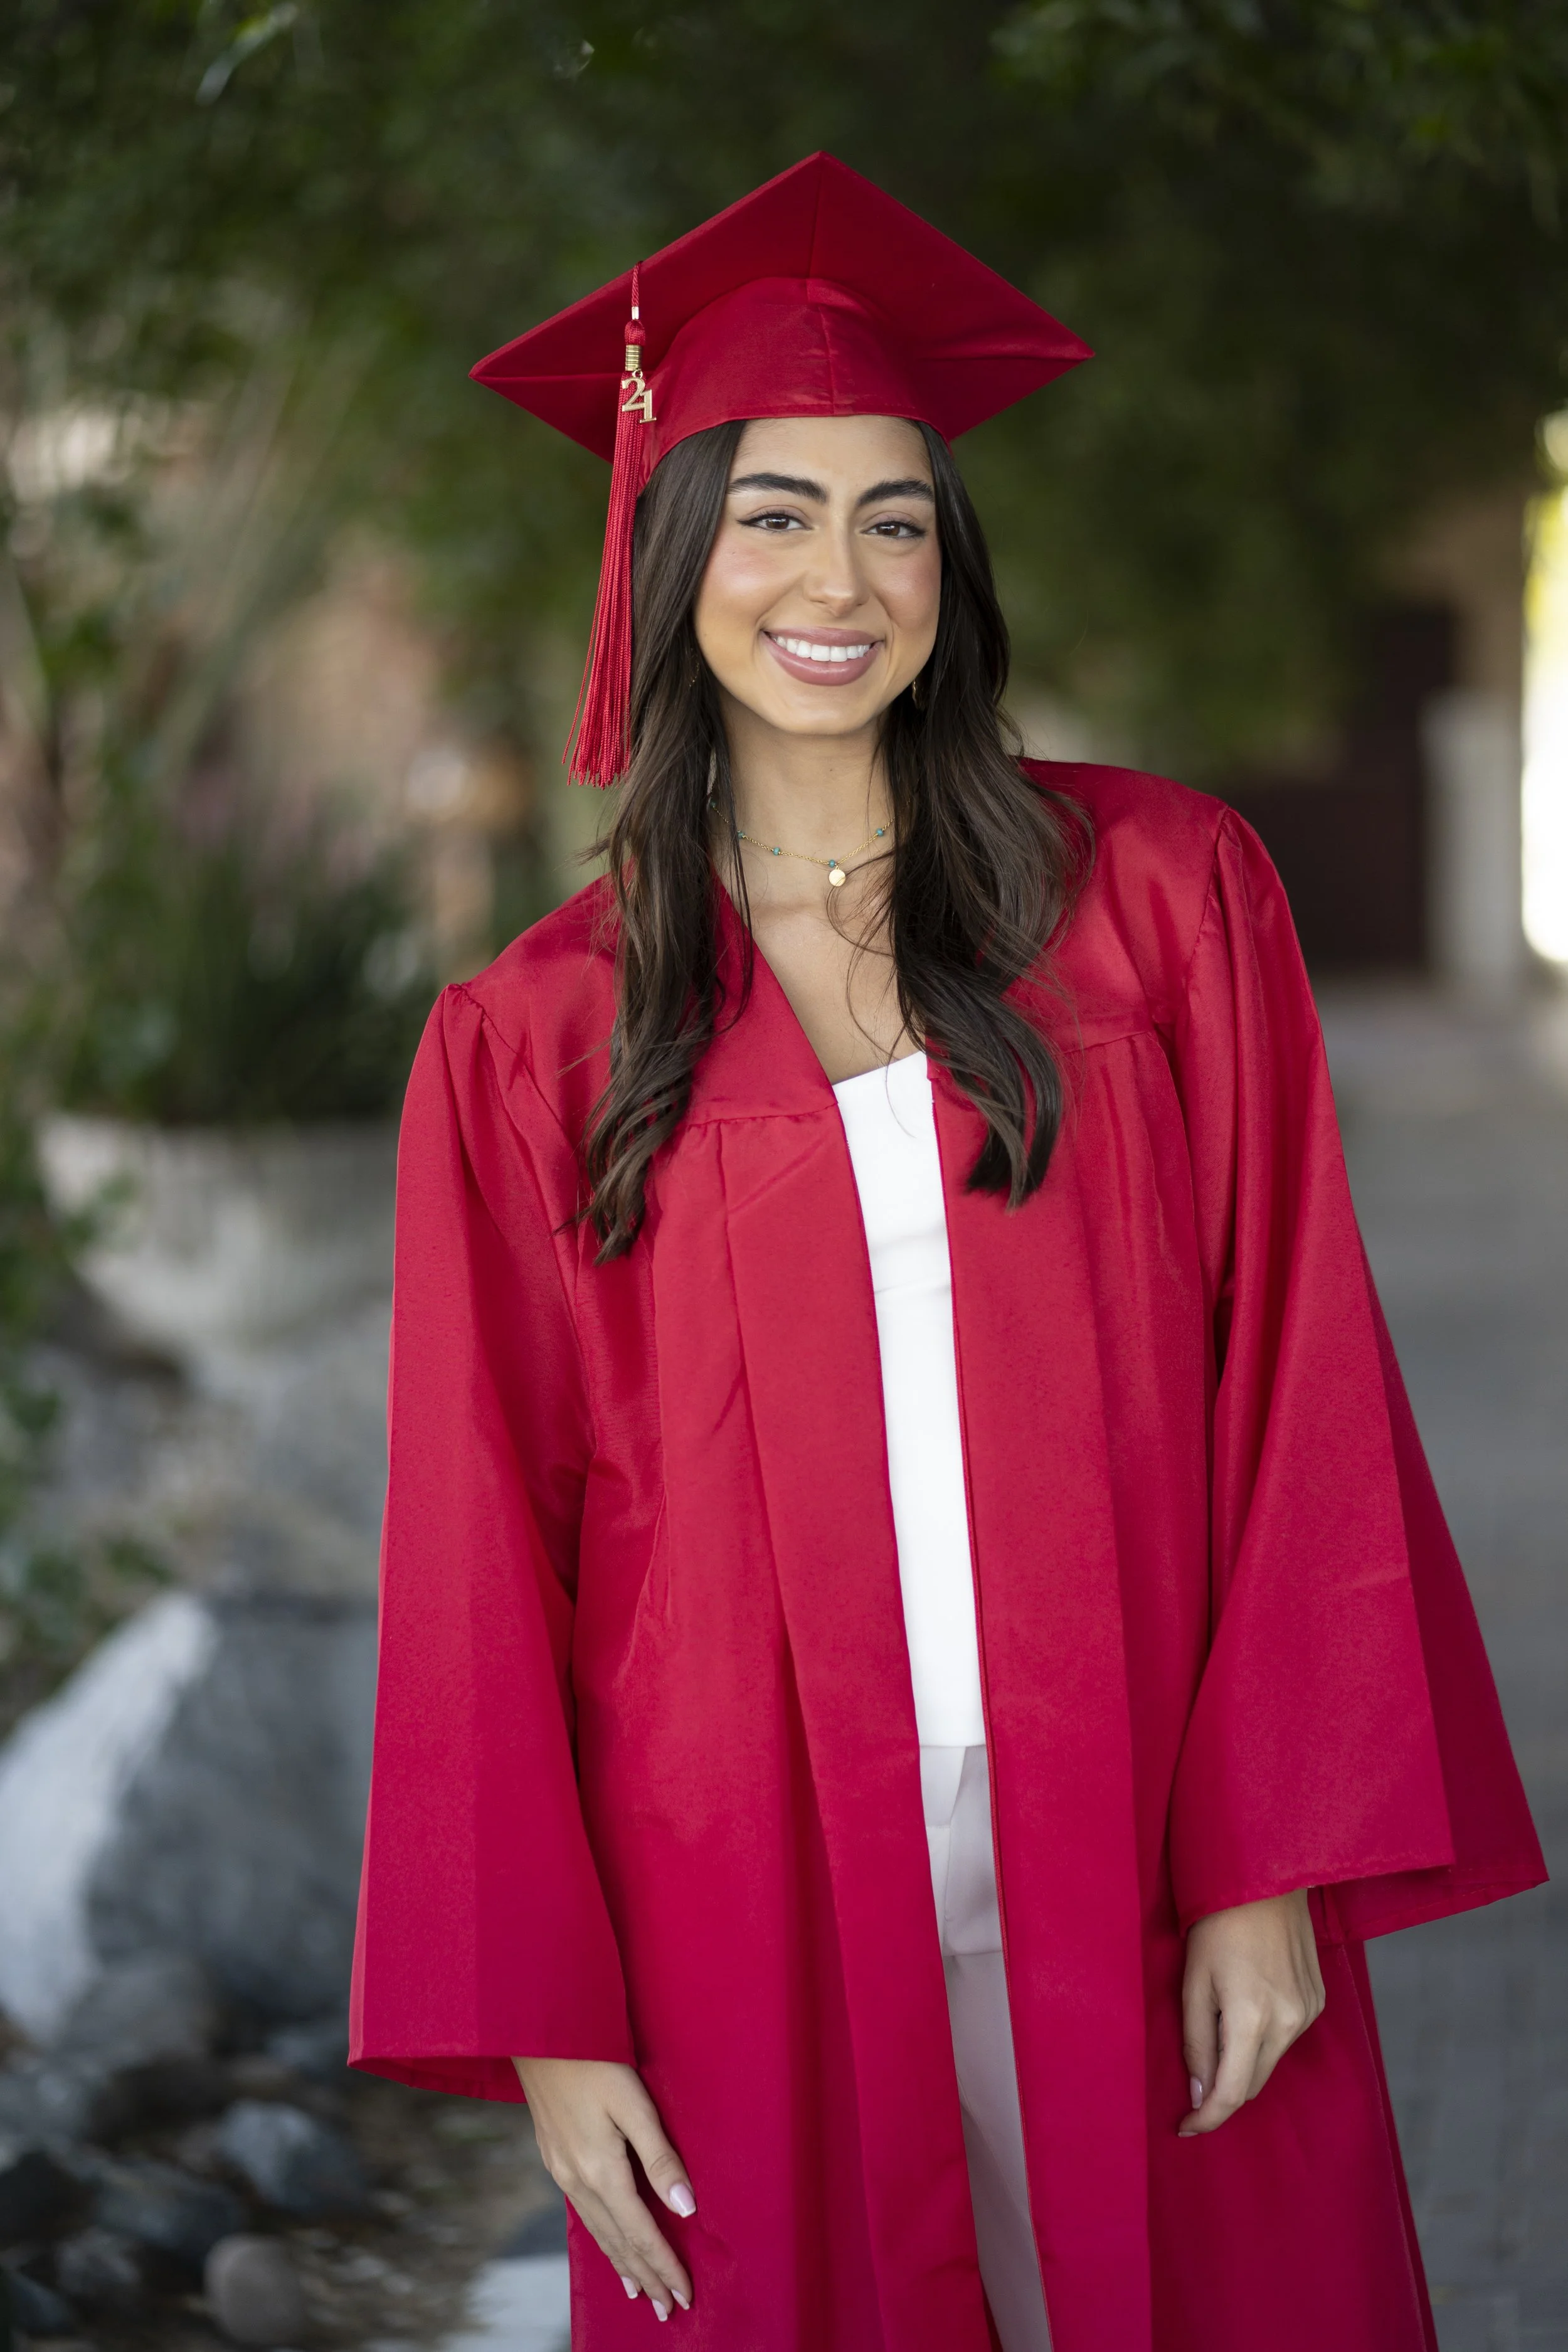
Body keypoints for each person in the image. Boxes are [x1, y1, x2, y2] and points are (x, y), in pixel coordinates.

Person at [349, 154, 1544, 2352]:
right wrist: (546, 2011)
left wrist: (1271, 1855)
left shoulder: (1165, 900)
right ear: (671, 546)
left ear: (952, 565)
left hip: (1140, 1817)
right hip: (739, 1866)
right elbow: (475, 1542)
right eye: (776, 510)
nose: (839, 573)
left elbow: (1293, 1376)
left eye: (895, 515)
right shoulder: (532, 1035)